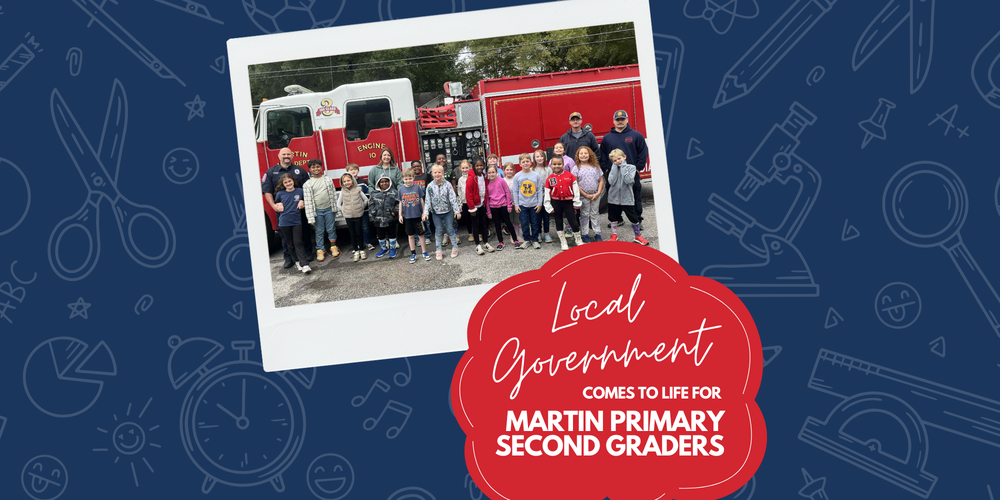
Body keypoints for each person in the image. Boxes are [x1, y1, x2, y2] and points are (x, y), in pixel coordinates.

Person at [261, 147, 312, 268]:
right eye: (283, 154)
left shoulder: (301, 171)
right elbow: (267, 191)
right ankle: (288, 258)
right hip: (283, 212)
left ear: (292, 156)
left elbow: (308, 189)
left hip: (299, 210)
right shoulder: (270, 172)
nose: (286, 156)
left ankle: (308, 254)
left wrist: (303, 201)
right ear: (279, 156)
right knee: (285, 236)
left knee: (304, 231)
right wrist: (274, 206)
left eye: (288, 154)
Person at [599, 109, 648, 225]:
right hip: (614, 174)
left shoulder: (636, 135)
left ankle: (637, 220)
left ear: (627, 120)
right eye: (617, 119)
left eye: (622, 119)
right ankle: (617, 219)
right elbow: (603, 155)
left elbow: (643, 153)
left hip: (631, 173)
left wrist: (637, 168)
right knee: (614, 198)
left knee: (635, 196)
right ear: (613, 121)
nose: (620, 121)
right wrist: (606, 169)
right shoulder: (607, 138)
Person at [606, 148, 650, 245]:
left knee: (633, 217)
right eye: (615, 160)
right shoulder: (612, 169)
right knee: (613, 218)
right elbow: (611, 182)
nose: (618, 161)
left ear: (624, 157)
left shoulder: (631, 168)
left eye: (619, 158)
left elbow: (628, 181)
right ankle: (614, 235)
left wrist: (623, 168)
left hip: (627, 198)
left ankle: (638, 236)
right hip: (613, 199)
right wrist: (614, 168)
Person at [543, 156, 583, 251]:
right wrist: (548, 206)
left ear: (563, 164)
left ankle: (578, 240)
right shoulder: (550, 179)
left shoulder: (570, 176)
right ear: (551, 165)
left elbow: (576, 190)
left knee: (573, 221)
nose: (557, 166)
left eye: (559, 164)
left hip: (568, 202)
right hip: (556, 202)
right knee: (558, 221)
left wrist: (576, 202)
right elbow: (547, 193)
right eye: (554, 164)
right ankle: (563, 241)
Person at [303, 159, 340, 261]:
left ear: (321, 167)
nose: (316, 169)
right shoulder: (308, 184)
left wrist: (335, 208)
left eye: (318, 167)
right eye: (313, 167)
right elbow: (308, 201)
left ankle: (333, 246)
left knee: (331, 228)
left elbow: (333, 194)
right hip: (317, 211)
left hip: (329, 209)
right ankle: (320, 249)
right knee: (319, 231)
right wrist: (310, 217)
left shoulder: (328, 179)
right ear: (310, 169)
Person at [273, 173, 311, 273]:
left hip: (296, 221)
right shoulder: (280, 194)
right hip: (284, 222)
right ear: (283, 184)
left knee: (298, 242)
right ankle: (297, 261)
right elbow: (277, 203)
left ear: (293, 181)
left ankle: (305, 264)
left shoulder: (300, 191)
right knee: (290, 243)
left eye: (289, 181)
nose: (288, 183)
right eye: (285, 182)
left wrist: (302, 201)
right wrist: (278, 204)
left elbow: (308, 200)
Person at [423, 164, 462, 260]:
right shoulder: (430, 186)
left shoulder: (447, 185)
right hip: (436, 213)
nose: (437, 174)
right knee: (438, 230)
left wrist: (456, 211)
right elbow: (427, 200)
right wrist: (425, 213)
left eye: (439, 172)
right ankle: (438, 250)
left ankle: (455, 248)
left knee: (450, 229)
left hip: (447, 212)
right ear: (432, 174)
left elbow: (452, 198)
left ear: (443, 173)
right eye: (435, 172)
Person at [398, 168, 430, 263]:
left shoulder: (417, 187)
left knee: (421, 235)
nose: (408, 181)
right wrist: (400, 215)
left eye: (410, 178)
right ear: (403, 179)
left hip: (418, 216)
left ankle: (424, 252)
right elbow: (400, 202)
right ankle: (413, 253)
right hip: (407, 217)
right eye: (406, 179)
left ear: (413, 178)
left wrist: (424, 212)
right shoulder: (401, 189)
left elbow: (421, 200)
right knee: (411, 236)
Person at [486, 164, 520, 251]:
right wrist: (488, 212)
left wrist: (509, 205)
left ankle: (515, 239)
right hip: (493, 207)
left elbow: (507, 192)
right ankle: (500, 242)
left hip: (503, 205)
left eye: (493, 172)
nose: (491, 174)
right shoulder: (487, 183)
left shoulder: (501, 181)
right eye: (489, 173)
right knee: (497, 225)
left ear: (496, 172)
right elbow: (487, 199)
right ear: (487, 174)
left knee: (508, 223)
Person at [513, 153, 543, 249]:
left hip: (534, 204)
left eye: (527, 161)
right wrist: (516, 205)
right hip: (522, 205)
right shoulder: (517, 176)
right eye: (523, 162)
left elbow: (539, 190)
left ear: (531, 162)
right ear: (520, 164)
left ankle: (535, 240)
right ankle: (526, 240)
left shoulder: (536, 176)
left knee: (535, 223)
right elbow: (515, 191)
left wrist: (539, 203)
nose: (525, 163)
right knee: (524, 224)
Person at [575, 146, 605, 242]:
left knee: (595, 213)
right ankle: (585, 234)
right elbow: (575, 183)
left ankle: (597, 233)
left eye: (586, 153)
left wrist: (598, 193)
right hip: (583, 196)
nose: (583, 155)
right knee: (584, 214)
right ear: (578, 156)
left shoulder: (596, 167)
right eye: (581, 153)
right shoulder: (576, 168)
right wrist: (585, 194)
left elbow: (601, 180)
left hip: (595, 195)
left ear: (590, 155)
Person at [337, 172, 369, 262]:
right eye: (344, 181)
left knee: (359, 233)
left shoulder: (358, 189)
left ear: (353, 181)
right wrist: (344, 210)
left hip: (358, 215)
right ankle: (356, 251)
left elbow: (365, 199)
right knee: (352, 234)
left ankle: (362, 250)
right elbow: (338, 204)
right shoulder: (342, 192)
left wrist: (361, 208)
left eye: (348, 180)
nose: (347, 183)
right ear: (342, 183)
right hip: (348, 216)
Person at [345, 163, 375, 251]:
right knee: (356, 229)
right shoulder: (346, 183)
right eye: (351, 170)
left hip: (364, 210)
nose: (353, 171)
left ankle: (368, 242)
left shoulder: (363, 181)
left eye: (355, 169)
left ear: (358, 171)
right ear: (347, 172)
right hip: (353, 211)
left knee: (365, 227)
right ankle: (359, 244)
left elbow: (367, 194)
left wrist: (364, 205)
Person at [465, 158, 492, 255]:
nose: (479, 167)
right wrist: (472, 208)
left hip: (482, 204)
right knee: (475, 225)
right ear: (474, 166)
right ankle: (477, 245)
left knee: (484, 224)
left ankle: (486, 243)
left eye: (481, 165)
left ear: (484, 166)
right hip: (474, 206)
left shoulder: (483, 176)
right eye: (477, 165)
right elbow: (468, 194)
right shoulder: (471, 178)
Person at [370, 176, 400, 259]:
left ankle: (393, 249)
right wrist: (374, 213)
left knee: (392, 234)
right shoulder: (374, 193)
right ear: (378, 183)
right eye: (382, 182)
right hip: (378, 219)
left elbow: (398, 203)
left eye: (386, 181)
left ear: (389, 182)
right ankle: (384, 249)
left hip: (390, 218)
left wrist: (395, 212)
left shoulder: (394, 192)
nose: (384, 183)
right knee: (380, 235)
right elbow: (371, 204)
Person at [410, 160, 435, 246]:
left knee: (426, 221)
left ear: (421, 167)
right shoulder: (411, 178)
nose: (416, 168)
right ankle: (418, 239)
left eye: (418, 166)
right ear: (411, 168)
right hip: (414, 203)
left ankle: (427, 236)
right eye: (414, 166)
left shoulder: (426, 176)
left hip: (425, 202)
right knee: (416, 221)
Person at [532, 149, 553, 243]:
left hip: (546, 196)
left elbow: (551, 182)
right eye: (537, 156)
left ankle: (547, 233)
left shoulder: (548, 169)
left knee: (546, 216)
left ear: (544, 158)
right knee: (537, 217)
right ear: (534, 158)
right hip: (536, 197)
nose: (540, 158)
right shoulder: (532, 170)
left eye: (541, 156)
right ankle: (539, 233)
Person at [455, 160, 473, 242]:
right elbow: (459, 193)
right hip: (465, 202)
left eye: (466, 168)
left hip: (473, 202)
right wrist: (460, 204)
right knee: (468, 219)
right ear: (460, 169)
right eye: (463, 168)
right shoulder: (460, 180)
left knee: (475, 218)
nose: (465, 170)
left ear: (470, 167)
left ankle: (478, 233)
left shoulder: (473, 177)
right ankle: (470, 234)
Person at [502, 162, 520, 241]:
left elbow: (518, 191)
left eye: (511, 170)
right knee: (510, 221)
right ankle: (512, 236)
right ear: (504, 171)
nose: (509, 171)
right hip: (507, 204)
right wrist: (508, 203)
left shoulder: (516, 179)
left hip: (516, 203)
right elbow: (502, 194)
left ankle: (517, 235)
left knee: (516, 220)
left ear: (514, 171)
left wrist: (516, 202)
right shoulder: (503, 181)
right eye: (507, 170)